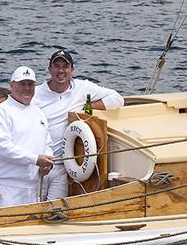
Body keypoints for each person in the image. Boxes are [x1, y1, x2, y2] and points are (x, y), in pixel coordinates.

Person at [33, 49, 124, 201]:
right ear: (49, 69)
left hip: (62, 166)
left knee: (54, 210)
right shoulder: (36, 93)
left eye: (65, 66)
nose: (61, 71)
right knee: (31, 206)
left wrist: (86, 107)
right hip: (37, 164)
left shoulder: (83, 88)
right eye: (56, 66)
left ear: (72, 70)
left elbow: (117, 99)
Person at [0, 67, 53, 208]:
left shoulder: (39, 113)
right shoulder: (1, 111)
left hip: (34, 187)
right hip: (8, 188)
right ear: (12, 85)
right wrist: (35, 160)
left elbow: (47, 143)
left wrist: (48, 161)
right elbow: (3, 147)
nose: (26, 88)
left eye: (30, 84)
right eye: (22, 84)